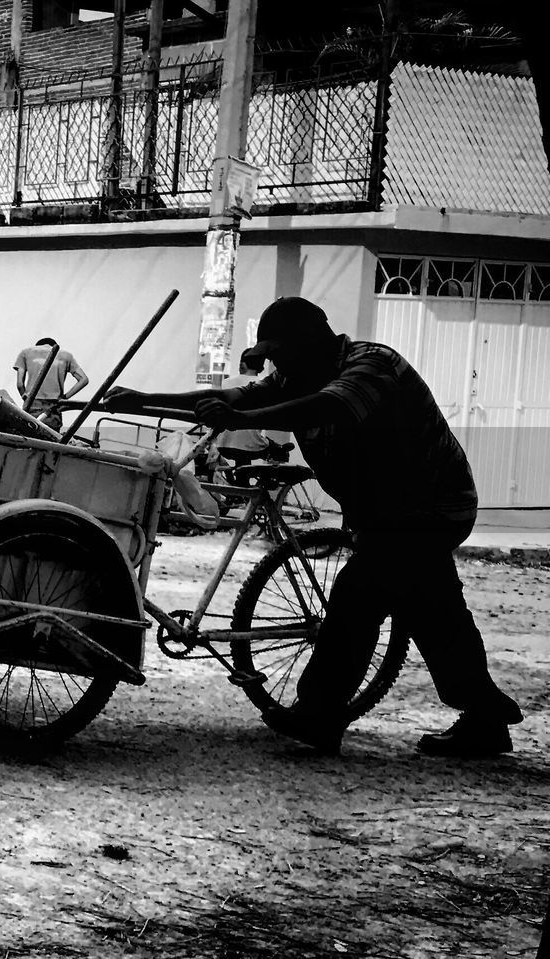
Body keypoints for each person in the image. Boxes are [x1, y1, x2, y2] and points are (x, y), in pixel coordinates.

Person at [104, 296, 523, 757]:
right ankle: (486, 716)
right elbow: (228, 400)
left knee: (358, 597)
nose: (277, 365)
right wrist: (144, 400)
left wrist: (242, 419)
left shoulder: (372, 365)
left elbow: (329, 408)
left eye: (283, 353)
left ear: (313, 342)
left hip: (430, 508)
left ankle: (320, 714)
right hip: (382, 513)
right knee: (432, 612)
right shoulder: (293, 376)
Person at [13, 337, 89, 433]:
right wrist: (65, 398)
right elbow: (84, 379)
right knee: (51, 439)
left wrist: (25, 397)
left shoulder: (25, 353)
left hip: (32, 404)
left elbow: (20, 384)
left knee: (29, 436)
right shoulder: (66, 356)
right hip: (55, 407)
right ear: (53, 345)